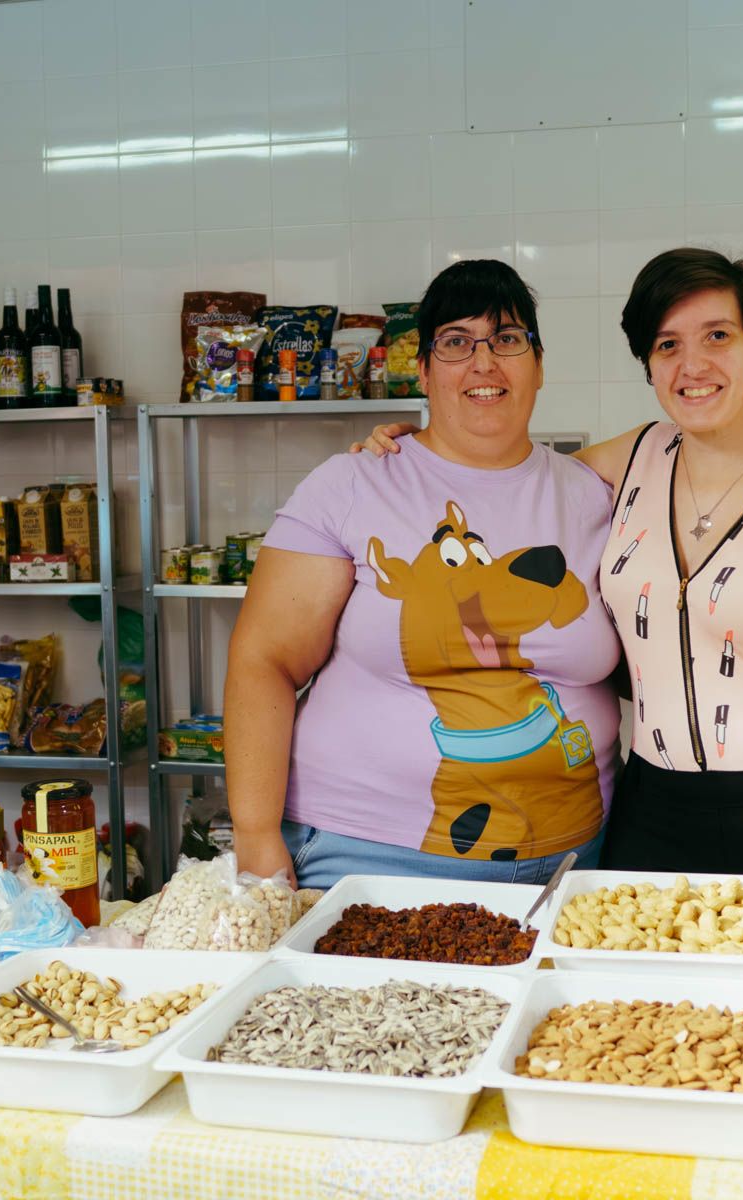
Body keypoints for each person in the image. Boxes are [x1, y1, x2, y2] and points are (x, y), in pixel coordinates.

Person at [356, 249, 743, 917]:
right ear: (649, 365)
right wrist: (413, 452)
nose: (692, 365)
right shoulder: (632, 459)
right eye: (667, 344)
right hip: (655, 811)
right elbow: (503, 480)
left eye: (718, 336)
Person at [224, 260, 622, 888]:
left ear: (539, 365)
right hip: (368, 856)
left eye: (507, 339)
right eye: (456, 342)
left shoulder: (594, 494)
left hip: (574, 863)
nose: (484, 362)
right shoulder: (353, 483)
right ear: (425, 370)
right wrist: (255, 838)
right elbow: (264, 660)